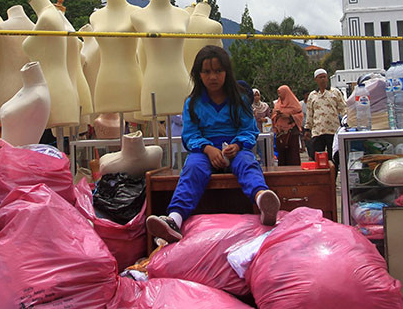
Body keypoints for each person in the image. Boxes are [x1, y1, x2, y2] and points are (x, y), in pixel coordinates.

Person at [146, 46, 280, 242]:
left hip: (235, 149)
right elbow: (190, 134)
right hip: (203, 151)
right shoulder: (192, 103)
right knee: (192, 168)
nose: (213, 76)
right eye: (207, 72)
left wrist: (238, 145)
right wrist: (208, 149)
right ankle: (174, 219)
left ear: (227, 72)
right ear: (198, 75)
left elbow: (249, 129)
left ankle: (263, 199)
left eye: (218, 71)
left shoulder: (240, 99)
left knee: (247, 163)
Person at [305, 68, 346, 161]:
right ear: (316, 80)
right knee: (318, 158)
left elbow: (343, 108)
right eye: (320, 77)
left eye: (324, 77)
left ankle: (333, 175)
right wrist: (307, 129)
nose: (323, 79)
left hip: (333, 130)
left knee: (333, 158)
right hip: (318, 131)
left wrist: (346, 123)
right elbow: (309, 113)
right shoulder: (312, 95)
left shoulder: (335, 92)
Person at [271, 85, 304, 166]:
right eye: (278, 93)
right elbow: (273, 116)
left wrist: (289, 116)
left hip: (291, 133)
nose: (279, 95)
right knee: (282, 157)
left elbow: (300, 116)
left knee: (292, 156)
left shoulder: (294, 104)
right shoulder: (278, 104)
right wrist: (277, 115)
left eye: (281, 93)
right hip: (280, 134)